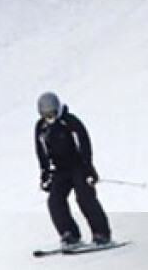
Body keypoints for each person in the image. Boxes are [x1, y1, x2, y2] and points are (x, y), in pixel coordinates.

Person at [35, 92, 113, 249]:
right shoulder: (41, 127)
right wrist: (45, 173)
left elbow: (84, 144)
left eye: (52, 114)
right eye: (46, 115)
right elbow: (41, 151)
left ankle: (101, 234)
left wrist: (88, 168)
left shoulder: (70, 122)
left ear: (58, 109)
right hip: (60, 169)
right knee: (55, 201)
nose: (49, 118)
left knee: (84, 197)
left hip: (78, 166)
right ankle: (69, 234)